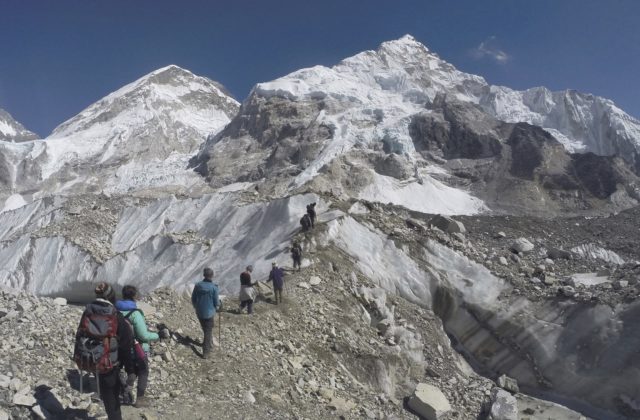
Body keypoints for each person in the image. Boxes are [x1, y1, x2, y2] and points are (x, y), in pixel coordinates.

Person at [75, 283, 135, 420]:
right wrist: (130, 370)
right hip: (110, 364)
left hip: (91, 359)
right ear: (112, 296)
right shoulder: (115, 315)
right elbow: (126, 345)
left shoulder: (88, 312)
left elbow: (80, 335)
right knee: (113, 399)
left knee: (107, 397)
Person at [115, 285, 159, 407]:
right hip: (137, 348)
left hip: (121, 348)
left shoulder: (116, 312)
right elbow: (143, 335)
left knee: (131, 371)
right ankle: (140, 399)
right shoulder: (135, 314)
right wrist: (157, 335)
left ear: (123, 295)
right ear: (134, 296)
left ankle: (125, 392)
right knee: (143, 371)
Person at [191, 268, 220, 359]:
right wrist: (218, 306)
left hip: (199, 312)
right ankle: (206, 351)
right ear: (212, 275)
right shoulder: (214, 287)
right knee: (208, 331)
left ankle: (209, 344)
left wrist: (196, 306)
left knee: (205, 329)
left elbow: (193, 298)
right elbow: (216, 302)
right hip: (209, 312)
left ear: (204, 275)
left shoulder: (198, 285)